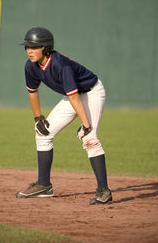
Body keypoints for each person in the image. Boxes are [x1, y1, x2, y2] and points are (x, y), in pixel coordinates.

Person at [16, 27, 112, 204]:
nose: (29, 51)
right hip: (72, 97)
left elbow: (75, 96)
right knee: (42, 132)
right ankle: (44, 185)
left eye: (34, 47)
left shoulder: (61, 64)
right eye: (27, 47)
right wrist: (38, 118)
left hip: (92, 93)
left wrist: (86, 125)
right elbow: (32, 91)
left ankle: (104, 191)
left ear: (46, 48)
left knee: (89, 138)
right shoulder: (30, 66)